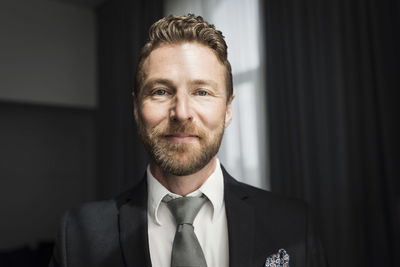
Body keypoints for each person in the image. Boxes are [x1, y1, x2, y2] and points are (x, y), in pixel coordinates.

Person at [49, 14, 326, 267]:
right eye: (160, 91)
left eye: (202, 92)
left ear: (228, 110)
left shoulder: (294, 223)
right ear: (136, 108)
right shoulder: (78, 235)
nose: (181, 113)